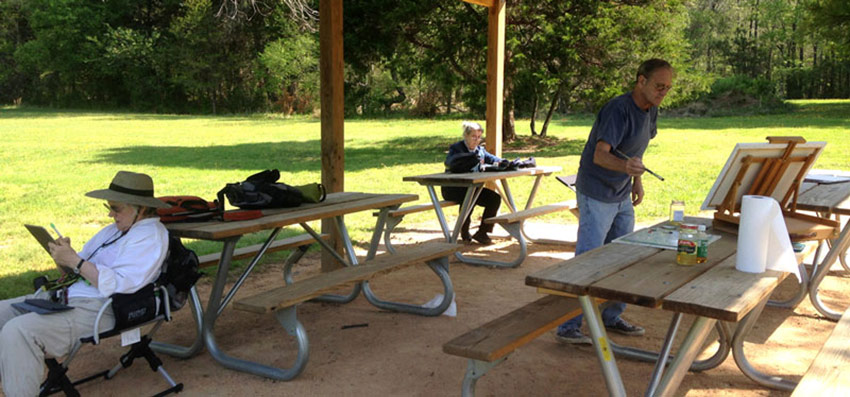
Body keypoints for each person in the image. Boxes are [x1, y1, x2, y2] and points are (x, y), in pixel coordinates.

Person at [0, 171, 170, 396]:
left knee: (18, 331)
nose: (110, 214)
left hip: (99, 308)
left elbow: (121, 285)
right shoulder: (112, 231)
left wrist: (76, 261)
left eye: (116, 208)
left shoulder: (152, 236)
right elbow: (76, 270)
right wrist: (64, 257)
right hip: (64, 297)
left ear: (142, 208)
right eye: (108, 207)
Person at [555, 59, 674, 345]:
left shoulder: (651, 110)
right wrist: (627, 170)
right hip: (596, 190)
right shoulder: (617, 109)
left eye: (668, 88)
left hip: (621, 192)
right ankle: (569, 326)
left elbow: (635, 151)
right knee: (589, 257)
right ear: (640, 80)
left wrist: (637, 179)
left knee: (623, 256)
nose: (663, 93)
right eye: (659, 86)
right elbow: (600, 155)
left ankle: (610, 316)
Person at [442, 121, 503, 245]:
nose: (477, 140)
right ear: (466, 136)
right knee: (469, 197)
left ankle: (483, 232)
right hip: (452, 189)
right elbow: (450, 163)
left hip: (472, 187)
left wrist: (505, 163)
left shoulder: (480, 150)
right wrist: (469, 159)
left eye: (479, 137)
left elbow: (493, 159)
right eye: (473, 137)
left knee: (494, 198)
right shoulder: (456, 148)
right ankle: (464, 231)